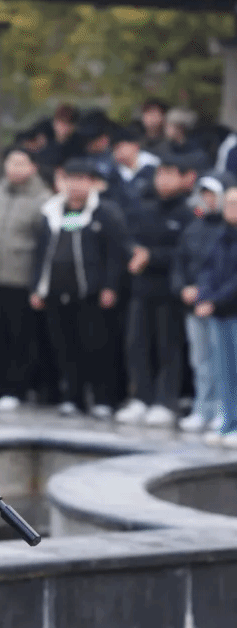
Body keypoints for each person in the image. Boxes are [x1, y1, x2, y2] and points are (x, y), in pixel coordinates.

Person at [30, 158, 128, 418]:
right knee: (64, 347)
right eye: (70, 179)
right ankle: (73, 397)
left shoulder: (105, 213)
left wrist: (110, 286)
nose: (75, 185)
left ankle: (103, 398)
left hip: (91, 294)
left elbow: (115, 254)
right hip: (57, 291)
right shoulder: (53, 212)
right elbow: (41, 253)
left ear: (92, 183)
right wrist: (36, 287)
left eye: (81, 179)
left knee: (97, 347)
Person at [116, 152, 198, 426]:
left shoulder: (188, 214)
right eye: (160, 173)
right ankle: (141, 397)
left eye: (170, 174)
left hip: (169, 292)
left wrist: (152, 256)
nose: (163, 180)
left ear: (185, 178)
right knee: (136, 345)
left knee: (168, 348)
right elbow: (129, 240)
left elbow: (185, 253)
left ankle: (166, 401)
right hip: (141, 289)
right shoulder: (145, 208)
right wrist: (135, 253)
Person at [0, 146, 52, 411]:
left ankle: (15, 389)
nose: (15, 168)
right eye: (11, 162)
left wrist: (39, 284)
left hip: (21, 279)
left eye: (21, 163)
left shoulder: (44, 199)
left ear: (33, 167)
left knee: (19, 337)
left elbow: (46, 244)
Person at [172, 173, 231, 433]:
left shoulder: (227, 232)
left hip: (222, 308)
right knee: (200, 360)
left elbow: (226, 274)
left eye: (213, 194)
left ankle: (223, 410)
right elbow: (181, 261)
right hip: (195, 305)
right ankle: (202, 408)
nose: (208, 199)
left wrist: (210, 297)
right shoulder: (194, 227)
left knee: (223, 362)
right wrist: (184, 288)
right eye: (204, 194)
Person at [195, 184, 237, 447]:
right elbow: (207, 269)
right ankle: (228, 422)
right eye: (228, 203)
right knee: (224, 370)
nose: (230, 208)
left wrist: (214, 300)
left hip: (231, 310)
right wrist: (204, 295)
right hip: (220, 313)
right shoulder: (221, 236)